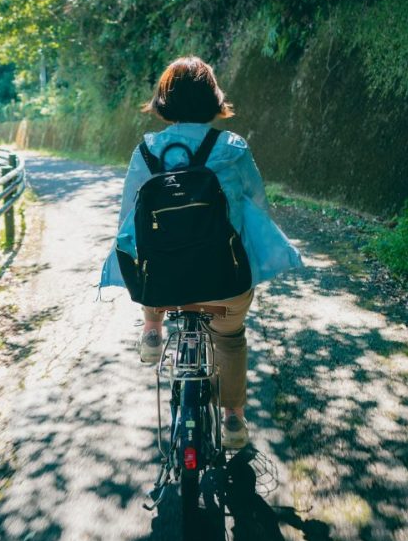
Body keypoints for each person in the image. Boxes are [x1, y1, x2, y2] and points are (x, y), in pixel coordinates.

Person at [99, 56, 302, 448]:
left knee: (153, 263)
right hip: (224, 282)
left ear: (164, 101)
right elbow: (256, 204)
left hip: (164, 288)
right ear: (213, 99)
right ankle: (232, 419)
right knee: (229, 339)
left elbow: (129, 223)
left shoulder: (146, 151)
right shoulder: (232, 147)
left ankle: (153, 329)